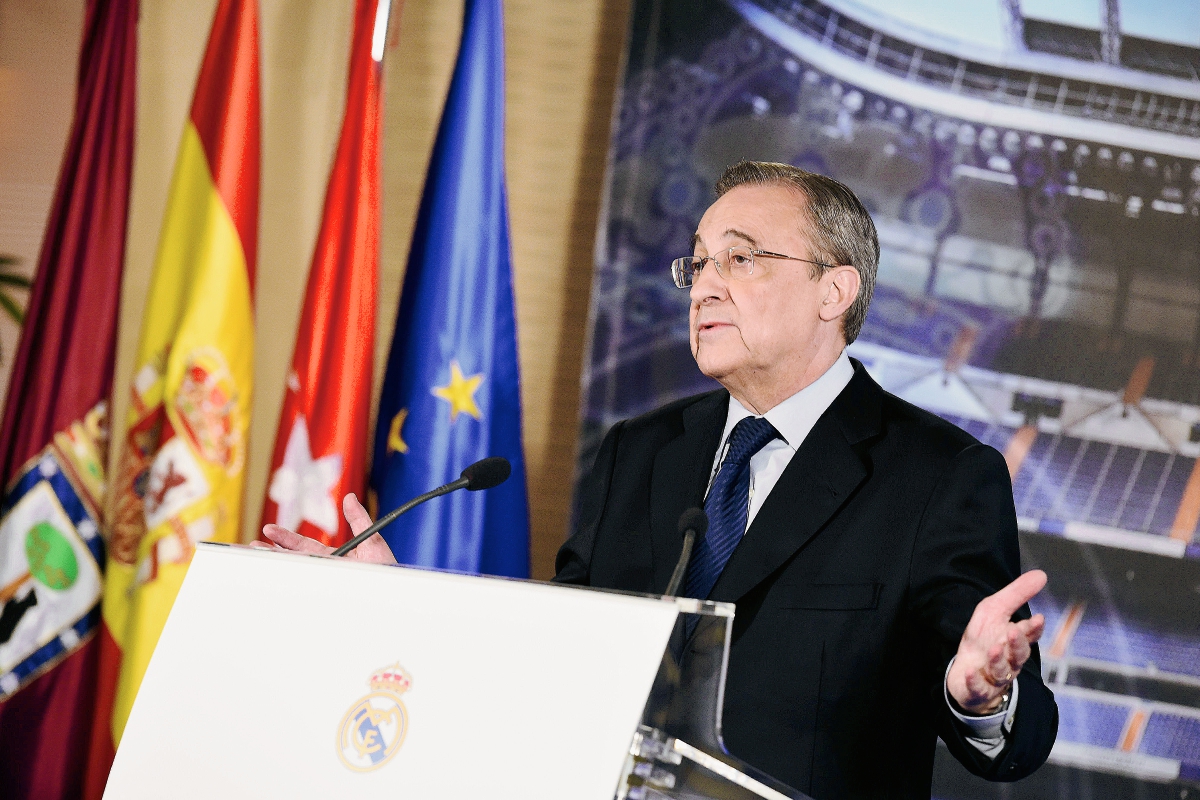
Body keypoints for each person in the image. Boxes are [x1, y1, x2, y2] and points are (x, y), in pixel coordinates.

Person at [263, 161, 1058, 799]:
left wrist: (980, 694)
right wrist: (405, 609)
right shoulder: (641, 451)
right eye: (701, 263)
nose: (705, 285)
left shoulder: (939, 477)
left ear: (834, 291)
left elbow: (1018, 742)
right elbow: (555, 652)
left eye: (741, 259)